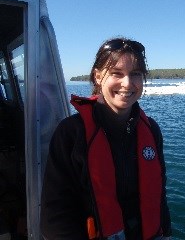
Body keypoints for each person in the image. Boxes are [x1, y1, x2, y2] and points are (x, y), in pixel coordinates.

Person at [40, 37, 172, 240]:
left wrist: (166, 233)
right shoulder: (71, 133)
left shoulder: (151, 130)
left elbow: (159, 194)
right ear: (98, 76)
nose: (127, 84)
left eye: (135, 74)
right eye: (116, 73)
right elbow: (56, 216)